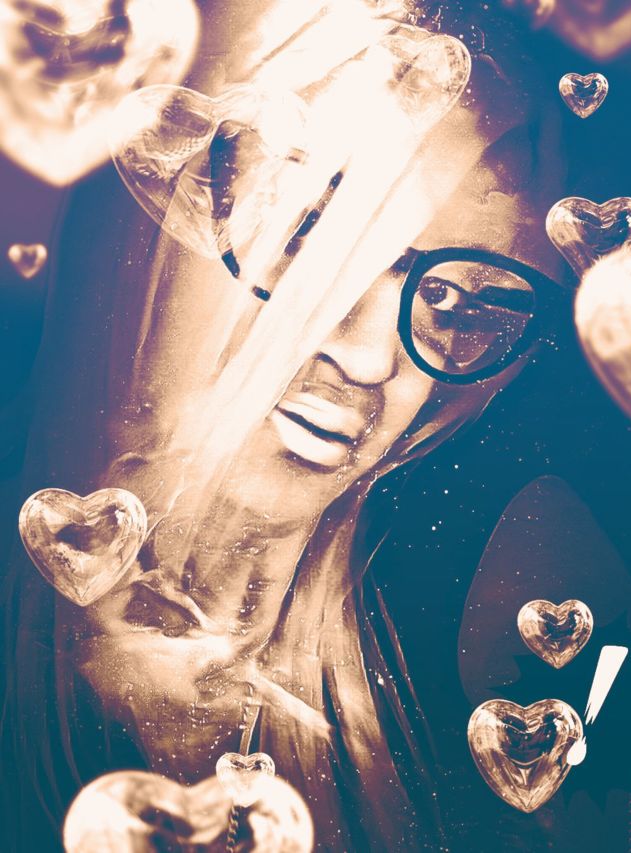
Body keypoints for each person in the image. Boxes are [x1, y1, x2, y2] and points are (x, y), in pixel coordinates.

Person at [4, 1, 587, 850]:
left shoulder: (451, 720)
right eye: (310, 240)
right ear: (150, 237)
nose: (373, 359)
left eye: (454, 300)